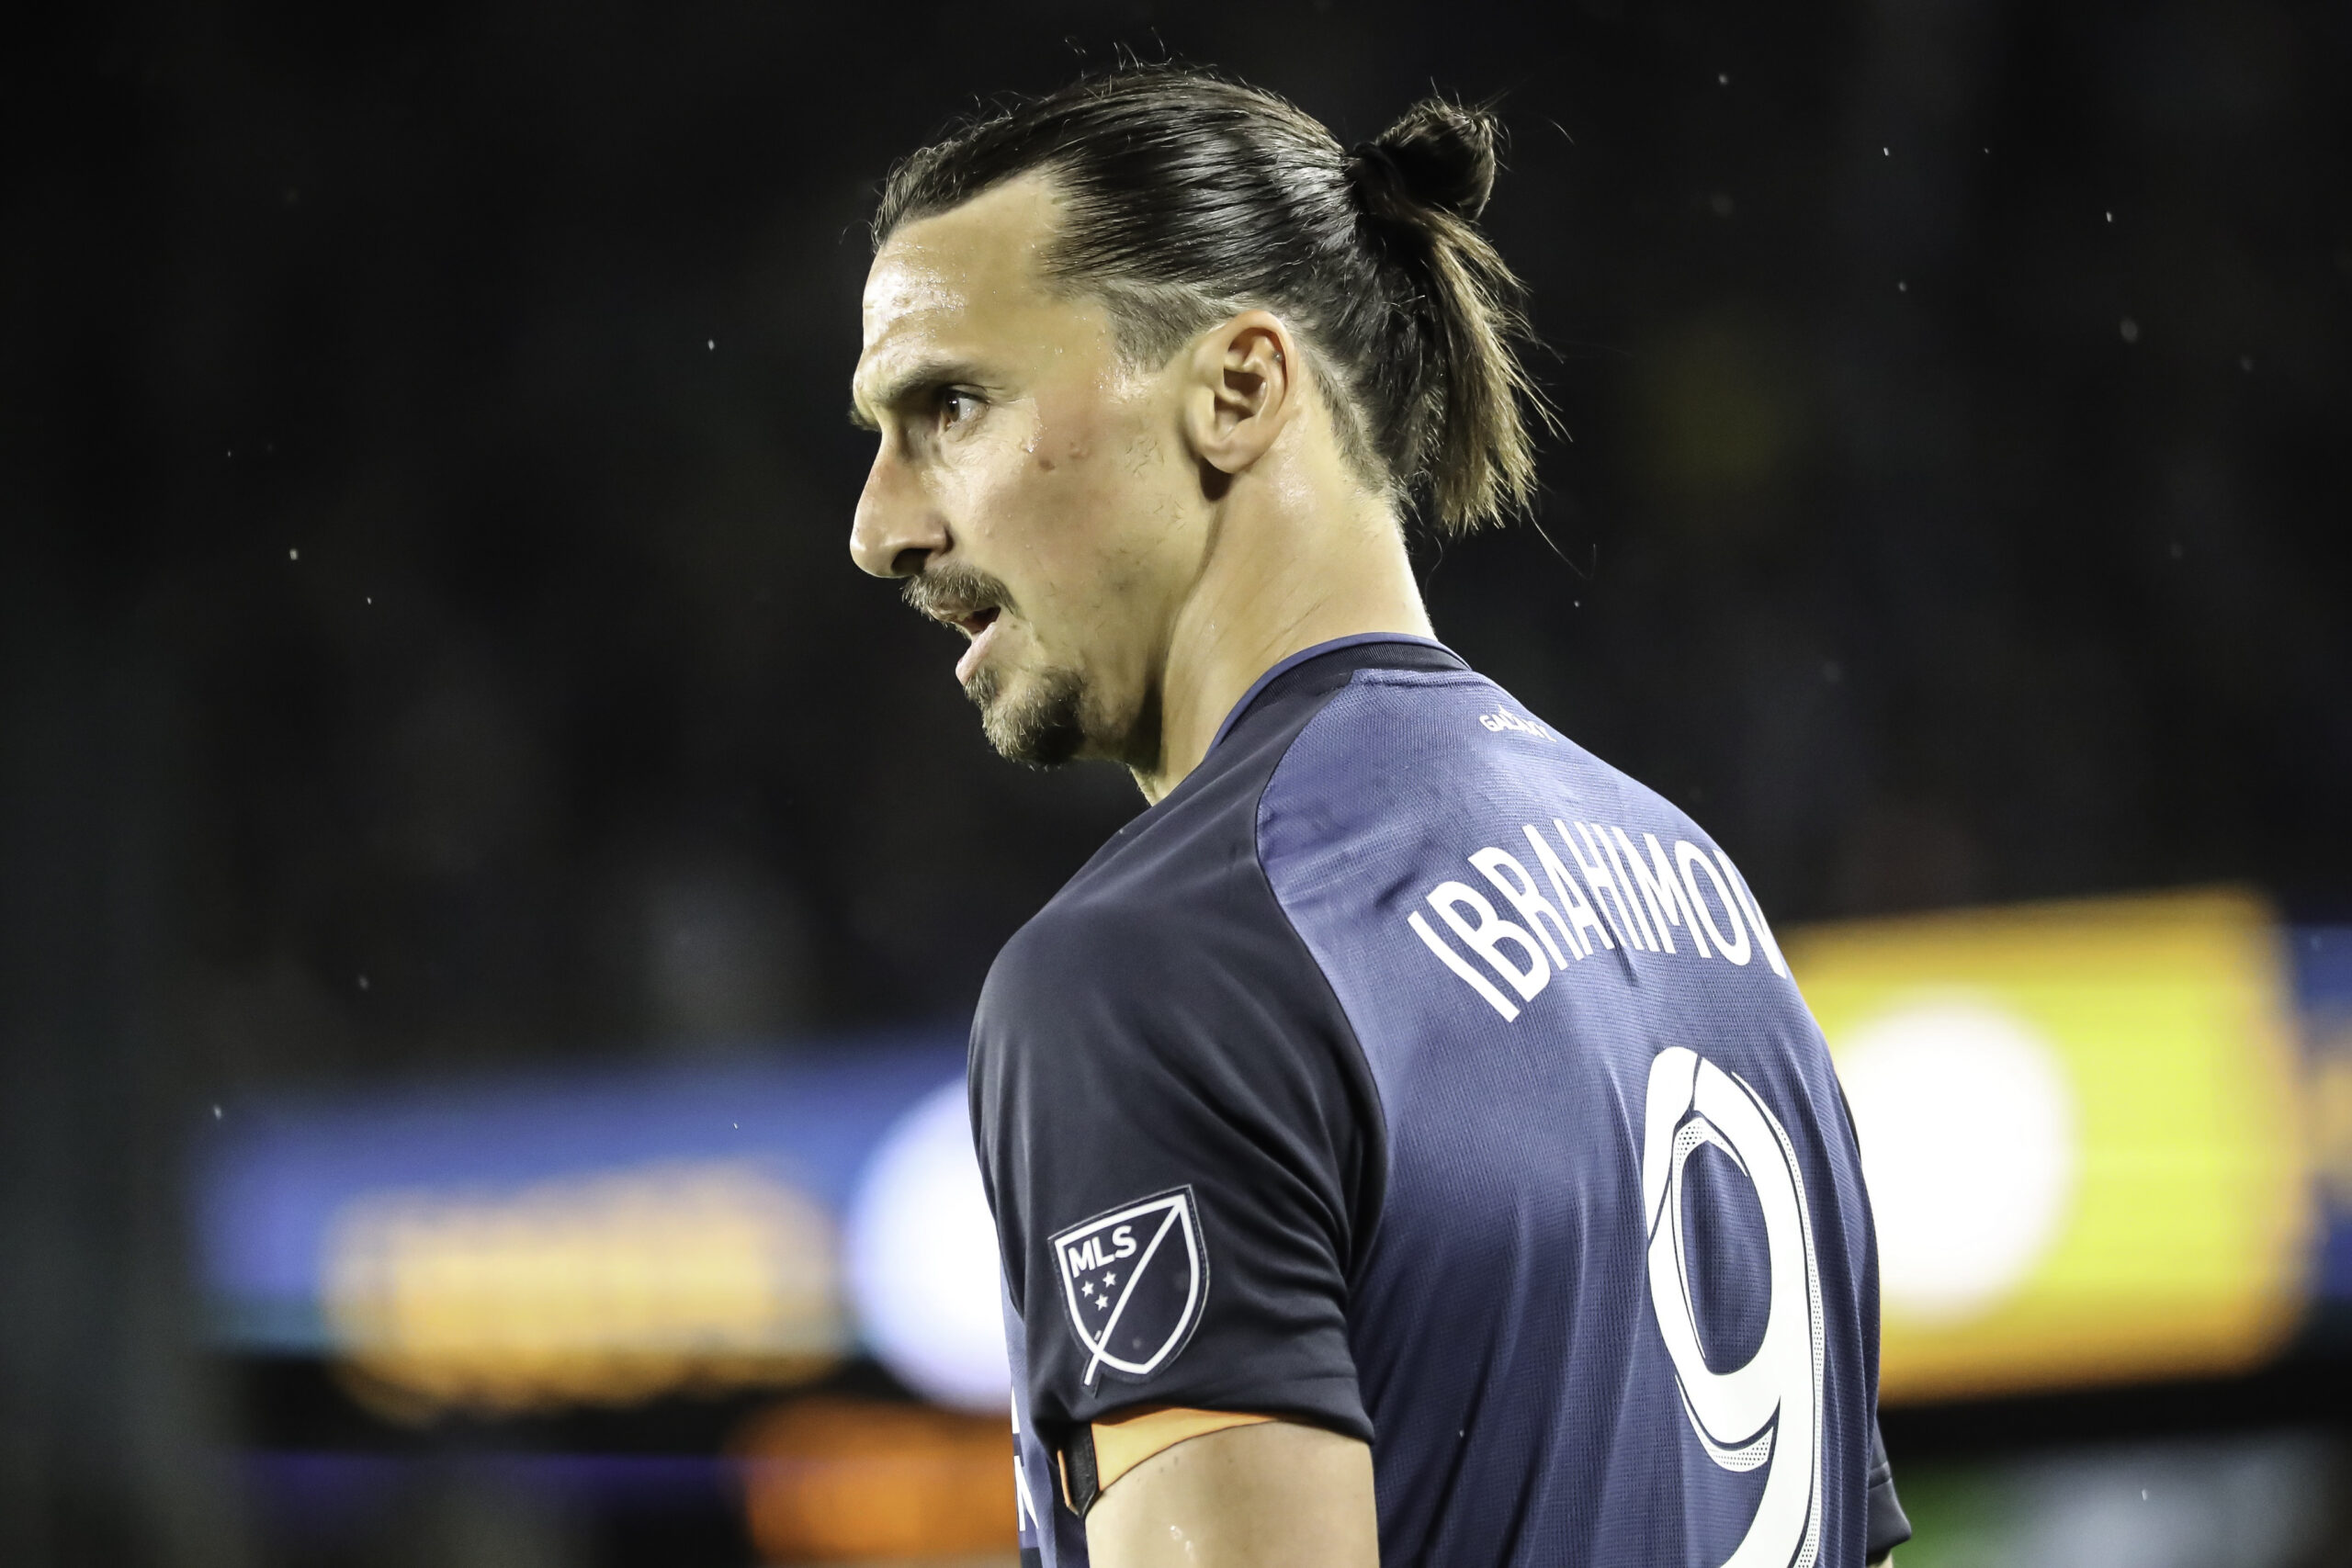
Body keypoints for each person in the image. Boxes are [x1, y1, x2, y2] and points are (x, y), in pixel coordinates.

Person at [847, 65, 1910, 1568]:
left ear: (1238, 390)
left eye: (950, 407)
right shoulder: (1701, 903)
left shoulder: (1163, 970)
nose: (880, 527)